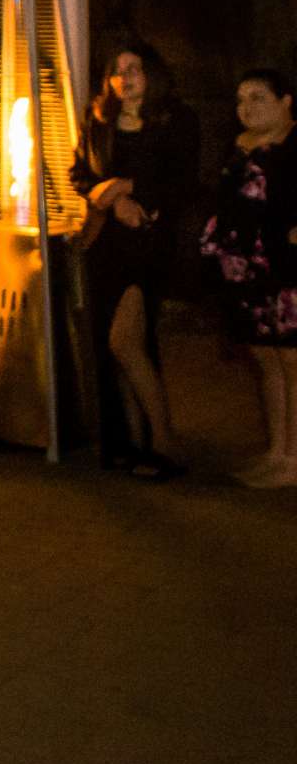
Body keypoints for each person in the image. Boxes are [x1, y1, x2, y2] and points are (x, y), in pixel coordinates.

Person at [70, 44, 200, 477]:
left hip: (149, 243)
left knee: (126, 340)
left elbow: (182, 179)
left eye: (134, 69)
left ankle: (164, 441)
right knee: (113, 348)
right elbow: (79, 175)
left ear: (152, 74)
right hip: (106, 244)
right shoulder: (98, 121)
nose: (125, 78)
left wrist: (128, 189)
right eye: (116, 70)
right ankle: (127, 441)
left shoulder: (176, 119)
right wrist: (105, 196)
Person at [200, 69, 297, 487]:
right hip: (246, 267)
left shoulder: (294, 143)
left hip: (286, 264)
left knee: (292, 360)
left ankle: (294, 458)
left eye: (259, 97)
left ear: (286, 100)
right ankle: (277, 450)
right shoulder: (239, 146)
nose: (247, 107)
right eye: (242, 99)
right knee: (266, 359)